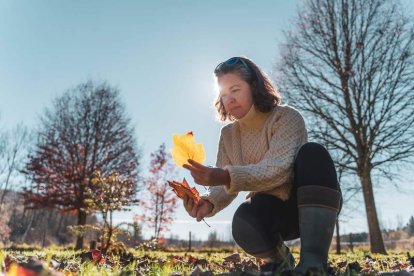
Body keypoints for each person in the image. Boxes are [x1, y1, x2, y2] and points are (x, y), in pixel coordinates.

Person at [182, 56, 342, 274]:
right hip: (270, 212)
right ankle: (280, 260)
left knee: (313, 152)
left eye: (235, 89)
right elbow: (222, 187)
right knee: (242, 220)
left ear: (254, 86)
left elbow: (278, 170)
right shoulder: (228, 135)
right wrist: (208, 203)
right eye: (223, 94)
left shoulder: (286, 118)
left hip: (307, 204)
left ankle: (313, 263)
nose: (229, 99)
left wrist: (223, 176)